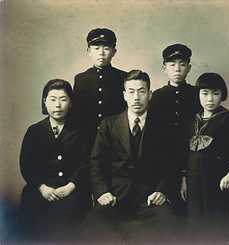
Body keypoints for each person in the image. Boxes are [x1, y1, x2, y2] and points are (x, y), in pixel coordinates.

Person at [84, 70, 178, 243]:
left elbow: (170, 165)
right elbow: (95, 162)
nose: (136, 97)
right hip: (115, 197)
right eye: (131, 92)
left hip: (149, 199)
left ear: (149, 95)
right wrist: (102, 192)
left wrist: (161, 190)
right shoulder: (109, 124)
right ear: (124, 95)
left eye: (141, 91)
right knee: (93, 223)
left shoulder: (163, 125)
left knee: (169, 223)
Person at [19, 79, 92, 241]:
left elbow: (86, 163)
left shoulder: (82, 131)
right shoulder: (34, 131)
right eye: (52, 99)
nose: (57, 105)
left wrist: (71, 186)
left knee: (71, 228)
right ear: (45, 102)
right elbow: (26, 165)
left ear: (71, 103)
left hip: (73, 189)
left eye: (63, 99)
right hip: (41, 190)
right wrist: (42, 187)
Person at [180, 73, 229, 239]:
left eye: (215, 94)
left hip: (217, 179)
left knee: (216, 220)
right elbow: (184, 153)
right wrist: (183, 179)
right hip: (194, 179)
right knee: (195, 220)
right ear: (198, 95)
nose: (210, 99)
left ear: (222, 95)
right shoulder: (192, 119)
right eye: (205, 93)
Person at [148, 43, 200, 214]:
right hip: (166, 160)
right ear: (164, 68)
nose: (177, 69)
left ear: (189, 68)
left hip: (193, 158)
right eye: (172, 64)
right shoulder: (157, 96)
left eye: (182, 64)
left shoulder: (197, 94)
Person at [72, 28, 127, 146]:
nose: (101, 53)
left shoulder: (123, 78)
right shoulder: (81, 79)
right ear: (89, 51)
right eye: (96, 48)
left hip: (116, 139)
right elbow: (76, 114)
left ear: (114, 52)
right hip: (87, 139)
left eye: (106, 48)